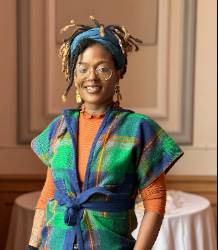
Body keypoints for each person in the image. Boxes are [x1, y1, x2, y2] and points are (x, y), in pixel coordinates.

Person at [27, 16, 184, 250]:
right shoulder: (59, 128)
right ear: (74, 75)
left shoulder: (138, 129)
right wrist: (32, 245)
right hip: (55, 243)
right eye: (83, 69)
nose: (91, 77)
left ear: (118, 72)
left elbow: (155, 202)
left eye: (103, 69)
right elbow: (48, 194)